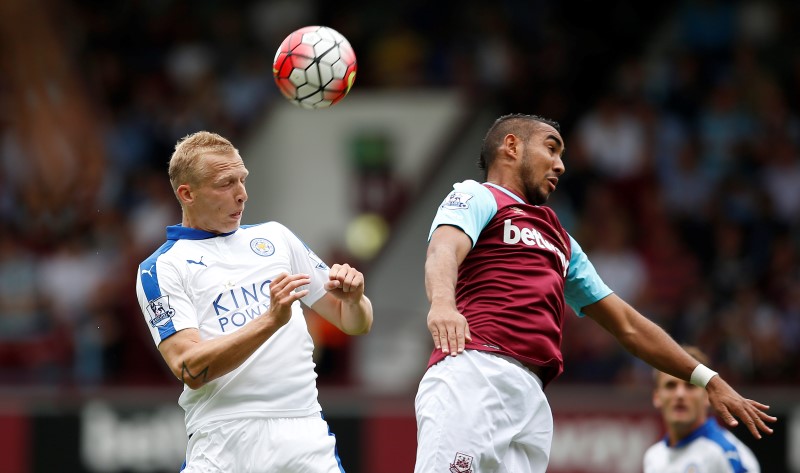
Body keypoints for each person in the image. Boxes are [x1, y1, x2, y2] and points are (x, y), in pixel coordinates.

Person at [414, 113, 775, 473]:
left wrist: (705, 377)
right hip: (475, 371)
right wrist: (444, 304)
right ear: (511, 146)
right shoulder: (476, 196)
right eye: (551, 149)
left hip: (530, 397)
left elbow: (627, 325)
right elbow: (443, 249)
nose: (560, 166)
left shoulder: (561, 239)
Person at [134, 131, 373, 472]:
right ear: (187, 193)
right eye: (225, 184)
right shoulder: (162, 267)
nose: (242, 195)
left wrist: (354, 299)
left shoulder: (275, 237)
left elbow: (356, 323)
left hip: (303, 431)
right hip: (224, 439)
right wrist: (268, 322)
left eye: (242, 180)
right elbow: (189, 367)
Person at [644, 345, 761, 472]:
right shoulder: (653, 457)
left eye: (690, 386)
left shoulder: (726, 453)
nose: (680, 394)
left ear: (707, 396)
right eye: (670, 386)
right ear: (657, 397)